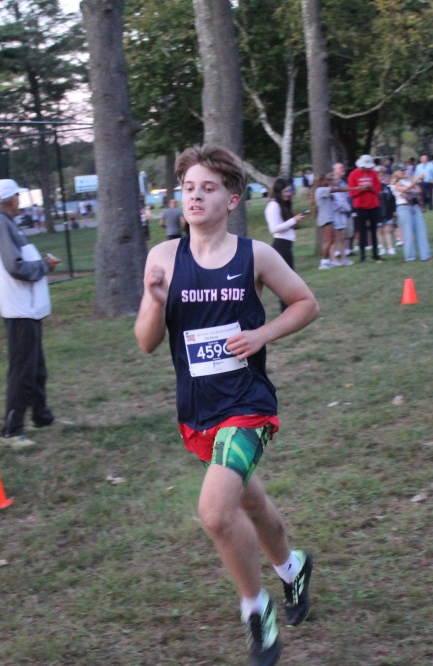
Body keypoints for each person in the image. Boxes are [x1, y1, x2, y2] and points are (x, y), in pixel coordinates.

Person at [134, 144, 318, 666]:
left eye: (208, 188)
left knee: (216, 513)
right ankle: (292, 568)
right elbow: (146, 342)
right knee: (249, 503)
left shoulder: (255, 255)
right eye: (188, 188)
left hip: (248, 404)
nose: (195, 196)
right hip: (198, 411)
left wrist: (262, 334)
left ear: (232, 199)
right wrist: (154, 301)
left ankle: (255, 609)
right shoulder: (163, 258)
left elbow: (306, 303)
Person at [0, 179, 61, 445]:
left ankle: (41, 415)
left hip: (23, 306)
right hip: (19, 307)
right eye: (18, 197)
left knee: (35, 366)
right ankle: (11, 431)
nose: (20, 202)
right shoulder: (0, 224)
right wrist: (44, 266)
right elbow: (15, 267)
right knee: (23, 370)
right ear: (11, 199)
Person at [265, 178, 306, 311]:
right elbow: (274, 228)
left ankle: (289, 308)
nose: (289, 193)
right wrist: (293, 220)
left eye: (289, 190)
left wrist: (294, 220)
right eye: (286, 191)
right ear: (279, 192)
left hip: (286, 246)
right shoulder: (273, 206)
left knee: (290, 280)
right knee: (286, 282)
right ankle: (286, 310)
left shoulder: (282, 204)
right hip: (280, 246)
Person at [347, 155, 383, 262]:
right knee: (362, 231)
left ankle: (375, 253)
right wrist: (361, 189)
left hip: (373, 205)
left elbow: (378, 188)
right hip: (360, 206)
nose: (367, 169)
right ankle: (362, 255)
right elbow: (351, 192)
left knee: (374, 230)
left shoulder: (373, 173)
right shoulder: (353, 174)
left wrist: (371, 188)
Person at [391, 168, 431, 262]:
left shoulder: (407, 181)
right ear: (395, 172)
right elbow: (405, 189)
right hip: (403, 207)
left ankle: (425, 255)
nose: (403, 172)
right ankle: (410, 256)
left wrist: (413, 182)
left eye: (404, 170)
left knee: (421, 230)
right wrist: (415, 181)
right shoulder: (394, 184)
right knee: (407, 233)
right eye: (401, 171)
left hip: (414, 206)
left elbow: (418, 190)